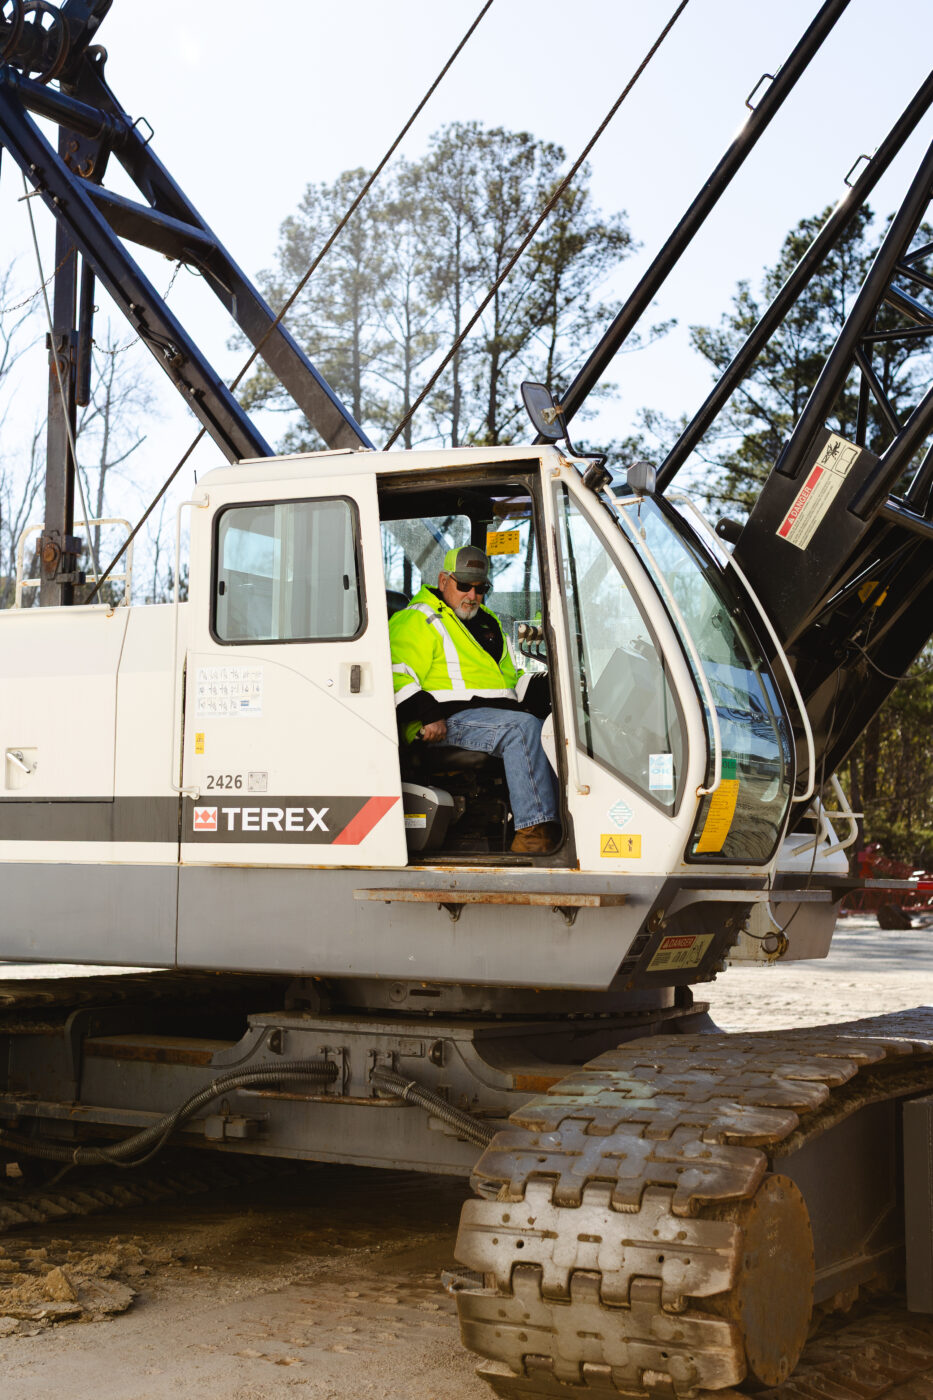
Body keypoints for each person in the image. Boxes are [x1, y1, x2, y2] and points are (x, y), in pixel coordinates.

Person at [389, 545, 560, 854]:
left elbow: (509, 679)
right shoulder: (416, 620)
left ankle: (559, 823)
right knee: (521, 730)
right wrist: (426, 712)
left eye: (481, 588)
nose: (472, 595)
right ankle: (534, 832)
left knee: (555, 728)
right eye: (464, 586)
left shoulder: (488, 623)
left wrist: (549, 689)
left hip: (490, 717)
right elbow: (394, 673)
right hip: (442, 722)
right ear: (443, 581)